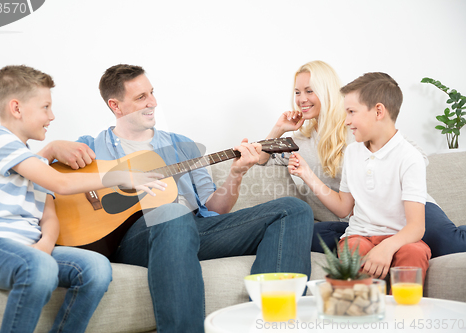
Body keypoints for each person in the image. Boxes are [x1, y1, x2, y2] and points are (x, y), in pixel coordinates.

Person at [60, 64, 314, 333]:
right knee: (172, 213)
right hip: (132, 240)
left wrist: (237, 174)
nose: (152, 103)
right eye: (140, 97)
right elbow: (51, 178)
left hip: (193, 231)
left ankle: (272, 325)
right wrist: (53, 147)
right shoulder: (91, 147)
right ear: (116, 106)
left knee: (292, 209)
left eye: (152, 93)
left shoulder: (183, 146)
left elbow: (216, 209)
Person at [0, 65, 160, 333]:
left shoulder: (37, 165)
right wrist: (120, 176)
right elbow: (62, 184)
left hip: (30, 249)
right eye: (45, 107)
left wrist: (45, 244)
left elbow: (49, 217)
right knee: (41, 267)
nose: (52, 116)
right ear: (16, 108)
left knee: (97, 268)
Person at [259, 60, 466, 258]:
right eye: (297, 92)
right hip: (360, 221)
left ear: (327, 92)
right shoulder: (299, 142)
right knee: (302, 236)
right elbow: (261, 158)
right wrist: (279, 128)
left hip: (404, 209)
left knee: (453, 245)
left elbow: (418, 157)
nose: (302, 99)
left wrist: (370, 192)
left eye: (309, 91)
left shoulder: (357, 126)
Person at [288, 72, 430, 282]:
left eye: (352, 112)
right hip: (359, 235)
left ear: (378, 111)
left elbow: (416, 227)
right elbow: (344, 207)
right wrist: (306, 174)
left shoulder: (410, 157)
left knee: (415, 252)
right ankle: (361, 309)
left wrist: (386, 247)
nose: (346, 121)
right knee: (354, 250)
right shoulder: (353, 152)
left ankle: (402, 313)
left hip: (398, 238)